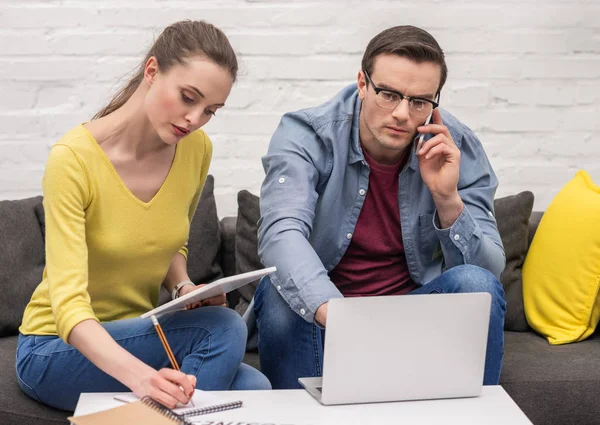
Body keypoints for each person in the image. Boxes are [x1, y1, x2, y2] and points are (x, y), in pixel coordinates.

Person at [16, 20, 271, 412]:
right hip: (55, 347)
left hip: (142, 329)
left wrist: (185, 288)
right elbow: (68, 309)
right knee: (223, 327)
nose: (194, 119)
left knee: (256, 387)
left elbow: (170, 240)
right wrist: (143, 380)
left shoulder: (195, 149)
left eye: (210, 111)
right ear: (152, 71)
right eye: (188, 97)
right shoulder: (73, 160)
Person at [251, 25, 506, 389]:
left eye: (419, 101)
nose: (402, 113)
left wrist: (448, 200)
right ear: (362, 83)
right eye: (388, 94)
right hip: (324, 316)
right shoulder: (307, 134)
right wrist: (341, 319)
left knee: (475, 283)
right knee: (277, 291)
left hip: (412, 317)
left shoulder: (455, 145)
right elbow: (281, 233)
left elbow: (490, 273)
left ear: (435, 100)